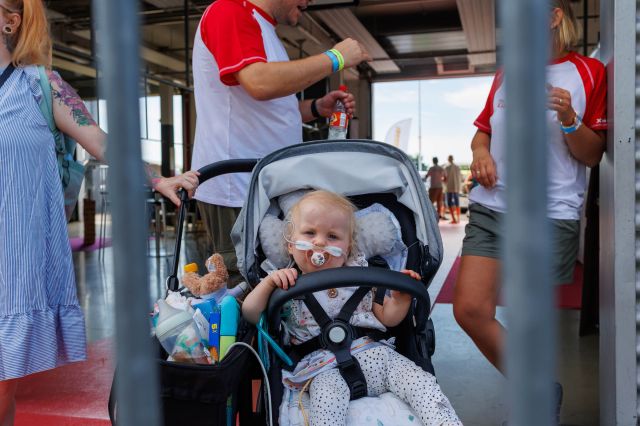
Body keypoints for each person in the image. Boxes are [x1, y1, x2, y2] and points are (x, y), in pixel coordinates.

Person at [0, 2, 198, 424]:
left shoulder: (39, 85)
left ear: (9, 20)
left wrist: (156, 178)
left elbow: (103, 143)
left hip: (12, 268)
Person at [452, 0, 607, 421]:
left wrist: (571, 119)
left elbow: (593, 156)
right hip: (492, 206)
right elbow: (481, 133)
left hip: (549, 212)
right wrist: (481, 155)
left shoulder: (589, 72)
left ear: (555, 16)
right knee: (469, 310)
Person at [242, 190, 461, 426]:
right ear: (291, 245)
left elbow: (388, 318)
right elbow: (250, 314)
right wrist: (269, 283)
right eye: (309, 233)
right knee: (326, 402)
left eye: (333, 236)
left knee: (420, 381)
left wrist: (401, 299)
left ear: (348, 248)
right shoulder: (285, 282)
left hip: (376, 355)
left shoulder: (362, 275)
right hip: (322, 369)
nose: (319, 242)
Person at [191, 0, 370, 286]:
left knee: (279, 280)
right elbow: (259, 83)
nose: (308, 2)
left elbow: (268, 106)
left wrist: (314, 108)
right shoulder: (230, 9)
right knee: (244, 283)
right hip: (238, 187)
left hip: (268, 183)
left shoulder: (265, 30)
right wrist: (335, 57)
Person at [443, 155, 462, 224]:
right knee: (457, 203)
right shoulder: (457, 167)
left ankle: (454, 219)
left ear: (448, 159)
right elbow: (460, 177)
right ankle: (458, 219)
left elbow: (444, 179)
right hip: (456, 187)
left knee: (449, 203)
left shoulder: (446, 167)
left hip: (449, 187)